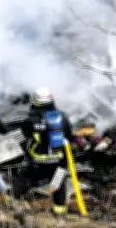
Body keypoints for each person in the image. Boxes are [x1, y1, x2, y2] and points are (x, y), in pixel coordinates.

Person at [16, 87, 83, 216]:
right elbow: (69, 134)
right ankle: (59, 210)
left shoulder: (30, 121)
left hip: (37, 160)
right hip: (59, 161)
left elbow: (25, 134)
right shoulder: (62, 117)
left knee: (24, 178)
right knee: (58, 182)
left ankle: (12, 200)